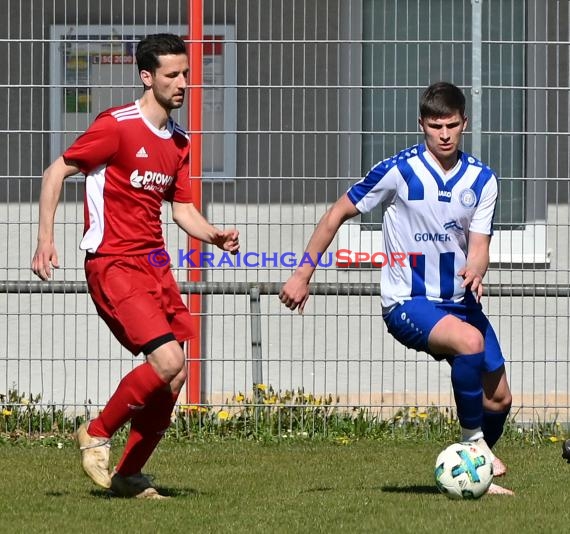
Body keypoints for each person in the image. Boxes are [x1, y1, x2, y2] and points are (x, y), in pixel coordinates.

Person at [279, 82, 513, 495]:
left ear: (465, 124)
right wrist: (302, 273)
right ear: (421, 124)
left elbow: (479, 247)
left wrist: (478, 265)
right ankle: (473, 445)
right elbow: (337, 213)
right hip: (408, 301)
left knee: (499, 401)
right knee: (470, 341)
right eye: (435, 125)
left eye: (452, 125)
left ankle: (473, 472)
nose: (444, 134)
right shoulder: (399, 170)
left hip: (460, 302)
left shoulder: (482, 179)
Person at [31, 33, 239, 499]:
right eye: (172, 75)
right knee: (167, 360)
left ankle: (128, 474)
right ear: (147, 77)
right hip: (113, 263)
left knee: (177, 372)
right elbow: (56, 171)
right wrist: (46, 239)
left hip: (154, 264)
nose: (183, 82)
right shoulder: (117, 126)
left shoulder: (179, 141)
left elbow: (181, 210)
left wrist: (214, 235)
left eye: (186, 73)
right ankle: (96, 431)